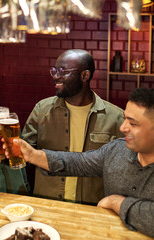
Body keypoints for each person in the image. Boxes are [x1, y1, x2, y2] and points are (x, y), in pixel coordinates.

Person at [6, 88, 154, 239]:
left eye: (133, 123)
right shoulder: (117, 150)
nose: (123, 127)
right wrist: (31, 154)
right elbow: (77, 162)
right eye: (125, 119)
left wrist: (115, 202)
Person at [22, 49, 124, 204]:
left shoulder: (116, 118)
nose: (56, 76)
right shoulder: (42, 110)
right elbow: (22, 156)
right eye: (55, 70)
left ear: (85, 76)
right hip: (47, 205)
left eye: (63, 71)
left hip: (92, 210)